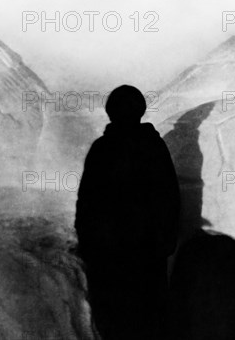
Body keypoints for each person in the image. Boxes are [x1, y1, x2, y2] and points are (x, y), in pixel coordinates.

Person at [75, 85, 181, 340]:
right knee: (147, 320)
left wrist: (87, 242)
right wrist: (166, 241)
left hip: (111, 254)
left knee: (116, 322)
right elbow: (169, 197)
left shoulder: (102, 149)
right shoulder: (154, 147)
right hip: (145, 253)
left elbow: (86, 201)